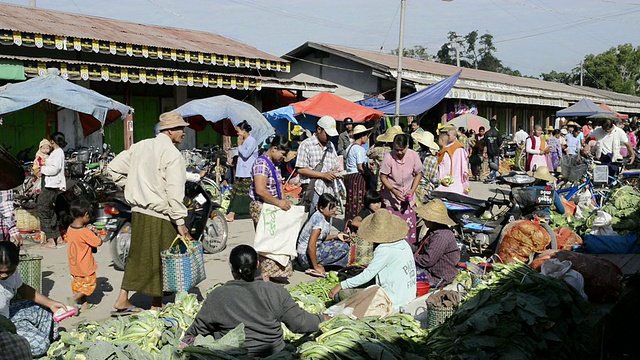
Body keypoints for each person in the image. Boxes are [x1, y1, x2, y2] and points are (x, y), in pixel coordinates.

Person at [107, 112, 190, 313]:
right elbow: (174, 191)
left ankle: (123, 299)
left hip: (139, 211)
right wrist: (180, 221)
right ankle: (155, 303)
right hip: (161, 214)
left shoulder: (141, 146)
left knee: (139, 256)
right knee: (163, 258)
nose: (184, 133)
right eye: (181, 129)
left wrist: (132, 186)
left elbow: (112, 168)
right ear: (169, 131)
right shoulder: (172, 154)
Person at [184, 245, 324, 357]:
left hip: (233, 356)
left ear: (233, 271)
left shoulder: (217, 295)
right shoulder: (275, 292)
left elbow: (195, 332)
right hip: (274, 356)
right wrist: (323, 318)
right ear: (258, 264)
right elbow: (301, 324)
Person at [329, 209, 416, 310]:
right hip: (408, 296)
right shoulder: (404, 243)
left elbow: (366, 276)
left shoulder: (384, 250)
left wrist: (341, 285)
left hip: (393, 301)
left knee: (341, 295)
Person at [0, 241, 66, 357]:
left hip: (8, 314)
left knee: (46, 310)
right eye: (0, 272)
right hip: (2, 328)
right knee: (40, 345)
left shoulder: (13, 274)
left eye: (9, 271)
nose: (4, 276)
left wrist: (51, 303)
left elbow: (23, 289)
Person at [249, 135, 294, 281]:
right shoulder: (261, 163)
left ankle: (275, 275)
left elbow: (278, 184)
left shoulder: (273, 164)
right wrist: (278, 202)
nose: (283, 157)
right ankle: (265, 277)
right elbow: (260, 190)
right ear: (274, 149)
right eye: (282, 154)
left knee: (277, 241)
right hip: (263, 207)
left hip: (273, 206)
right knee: (266, 244)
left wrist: (284, 199)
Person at [380, 134, 423, 245]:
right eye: (396, 149)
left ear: (407, 146)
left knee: (409, 227)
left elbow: (418, 173)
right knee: (393, 228)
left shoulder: (413, 155)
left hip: (408, 197)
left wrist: (412, 190)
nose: (398, 153)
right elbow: (383, 176)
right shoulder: (388, 157)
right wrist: (393, 190)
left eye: (401, 150)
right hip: (392, 198)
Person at [296, 193, 350, 276]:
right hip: (305, 257)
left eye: (335, 207)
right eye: (331, 208)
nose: (334, 210)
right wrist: (316, 266)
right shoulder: (319, 221)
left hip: (311, 251)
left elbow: (320, 238)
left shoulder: (322, 217)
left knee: (340, 244)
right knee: (344, 248)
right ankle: (317, 266)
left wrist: (337, 236)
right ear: (321, 208)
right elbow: (311, 245)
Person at [295, 116, 340, 213]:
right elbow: (301, 169)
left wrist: (337, 173)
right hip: (315, 189)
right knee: (315, 221)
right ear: (319, 129)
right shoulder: (306, 144)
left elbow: (336, 165)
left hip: (329, 190)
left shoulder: (330, 145)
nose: (329, 137)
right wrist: (323, 175)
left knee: (327, 222)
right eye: (327, 134)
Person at [413, 199, 460, 287]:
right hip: (430, 271)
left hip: (438, 278)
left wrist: (410, 257)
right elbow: (419, 246)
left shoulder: (441, 236)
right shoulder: (433, 231)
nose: (424, 220)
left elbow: (427, 260)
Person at [66, 198, 102, 311]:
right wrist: (97, 234)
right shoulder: (85, 232)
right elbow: (98, 242)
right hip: (85, 266)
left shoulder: (70, 228)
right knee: (89, 285)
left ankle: (84, 305)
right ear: (86, 214)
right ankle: (74, 299)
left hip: (74, 265)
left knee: (78, 285)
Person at [33, 132, 67, 249]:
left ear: (53, 141)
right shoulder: (57, 153)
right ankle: (58, 238)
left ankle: (51, 240)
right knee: (51, 210)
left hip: (51, 185)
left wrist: (42, 169)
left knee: (43, 209)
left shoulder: (58, 153)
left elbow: (54, 169)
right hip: (51, 184)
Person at [226, 120, 259, 222]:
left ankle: (233, 213)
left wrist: (239, 145)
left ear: (244, 131)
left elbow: (246, 154)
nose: (237, 134)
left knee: (242, 194)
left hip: (247, 172)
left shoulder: (251, 141)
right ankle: (233, 212)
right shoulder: (245, 141)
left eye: (238, 131)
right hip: (241, 171)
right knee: (237, 193)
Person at [344, 125, 371, 223]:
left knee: (350, 200)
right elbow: (360, 166)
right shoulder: (360, 149)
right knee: (358, 201)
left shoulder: (349, 147)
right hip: (358, 177)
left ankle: (348, 221)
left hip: (350, 176)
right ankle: (356, 222)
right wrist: (367, 176)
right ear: (362, 136)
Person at [435, 125, 470, 195]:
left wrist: (465, 173)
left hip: (457, 178)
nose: (447, 137)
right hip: (445, 178)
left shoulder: (459, 148)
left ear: (454, 136)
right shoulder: (445, 147)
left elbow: (463, 163)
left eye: (448, 135)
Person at [368, 126, 403, 191]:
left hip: (382, 180)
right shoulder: (402, 151)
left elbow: (368, 153)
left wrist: (377, 144)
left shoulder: (379, 150)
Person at [412, 131, 440, 202]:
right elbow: (433, 179)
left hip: (414, 187)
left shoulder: (415, 155)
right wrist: (440, 182)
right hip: (426, 190)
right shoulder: (433, 159)